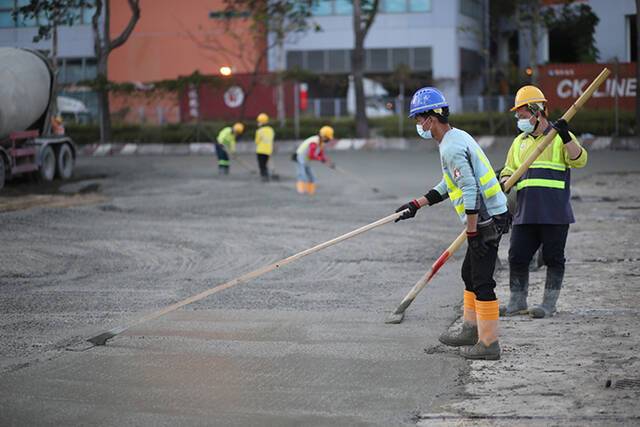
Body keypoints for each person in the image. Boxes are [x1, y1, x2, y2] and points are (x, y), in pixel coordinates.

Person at [395, 87, 510, 360]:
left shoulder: (451, 146)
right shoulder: (454, 138)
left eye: (418, 119)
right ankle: (471, 330)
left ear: (430, 119)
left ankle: (489, 343)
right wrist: (417, 205)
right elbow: (451, 183)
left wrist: (472, 231)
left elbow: (469, 189)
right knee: (468, 273)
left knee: (482, 280)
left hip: (486, 220)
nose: (418, 125)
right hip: (486, 217)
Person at [499, 85, 588, 319]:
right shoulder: (519, 142)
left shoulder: (558, 138)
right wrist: (506, 180)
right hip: (525, 211)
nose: (520, 120)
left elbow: (579, 160)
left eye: (523, 115)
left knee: (553, 258)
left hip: (555, 212)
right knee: (517, 256)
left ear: (537, 111)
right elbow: (508, 169)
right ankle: (517, 301)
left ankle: (549, 304)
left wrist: (566, 135)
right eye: (518, 116)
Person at [294, 125, 335, 195]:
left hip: (307, 160)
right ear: (323, 136)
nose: (328, 140)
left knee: (311, 176)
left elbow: (320, 154)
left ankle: (310, 191)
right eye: (327, 138)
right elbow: (312, 155)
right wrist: (321, 159)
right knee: (302, 174)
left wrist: (327, 161)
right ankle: (301, 191)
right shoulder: (314, 142)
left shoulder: (321, 143)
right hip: (301, 157)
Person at [255, 113, 275, 182]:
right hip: (268, 150)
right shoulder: (271, 130)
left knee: (261, 165)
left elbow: (256, 141)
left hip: (260, 151)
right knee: (265, 164)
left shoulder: (259, 131)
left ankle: (264, 176)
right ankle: (266, 174)